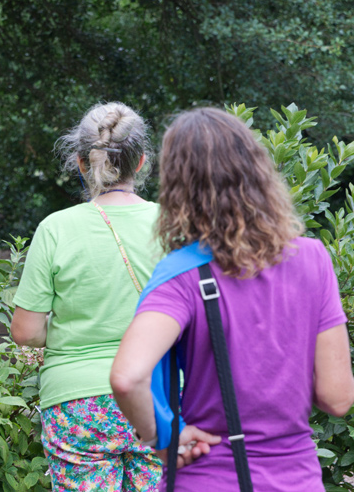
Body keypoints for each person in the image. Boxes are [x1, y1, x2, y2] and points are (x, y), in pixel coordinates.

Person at [110, 107, 354, 491]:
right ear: (258, 170)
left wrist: (163, 438)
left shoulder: (182, 274)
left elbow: (127, 377)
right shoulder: (313, 260)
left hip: (209, 476)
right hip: (298, 479)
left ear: (177, 188)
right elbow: (337, 398)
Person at [11, 102, 162, 491]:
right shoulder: (174, 226)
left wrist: (70, 329)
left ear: (80, 162)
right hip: (160, 395)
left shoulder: (56, 229)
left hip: (77, 403)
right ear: (142, 161)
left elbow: (25, 333)